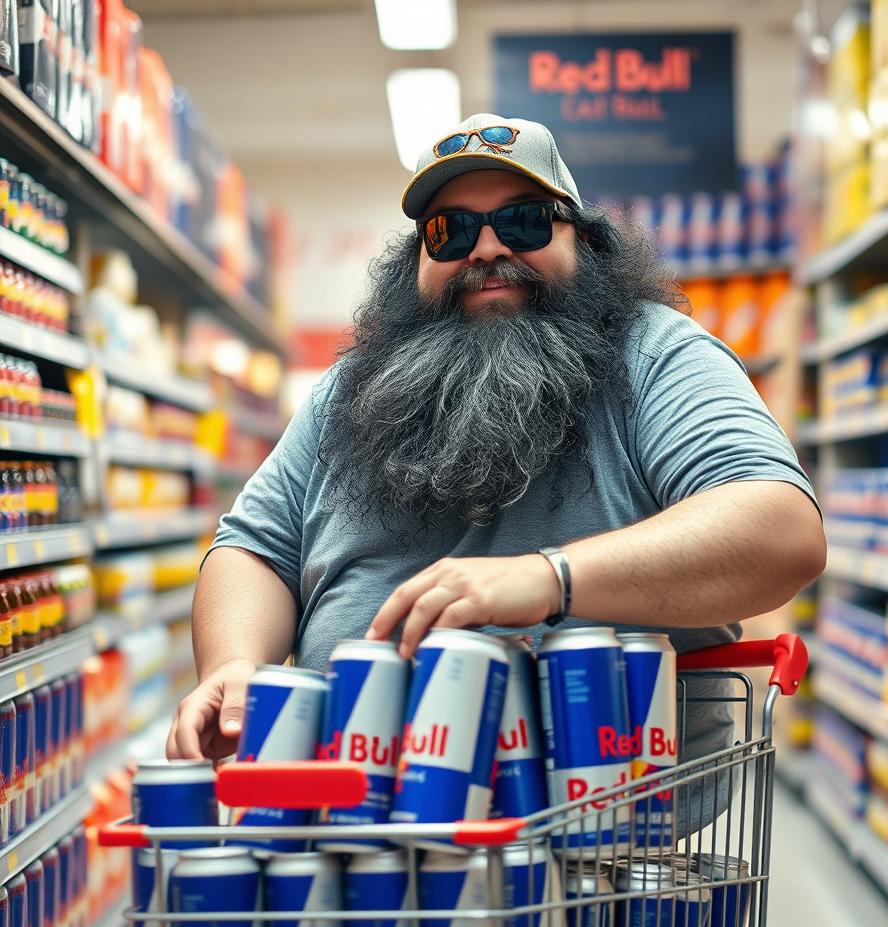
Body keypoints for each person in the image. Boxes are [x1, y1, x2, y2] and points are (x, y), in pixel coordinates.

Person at [167, 113, 826, 772]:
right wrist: (232, 665)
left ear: (584, 242)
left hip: (609, 841)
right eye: (449, 231)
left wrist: (550, 579)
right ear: (418, 260)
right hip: (348, 824)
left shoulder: (656, 355)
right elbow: (255, 549)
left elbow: (780, 529)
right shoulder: (350, 389)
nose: (484, 251)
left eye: (523, 222)